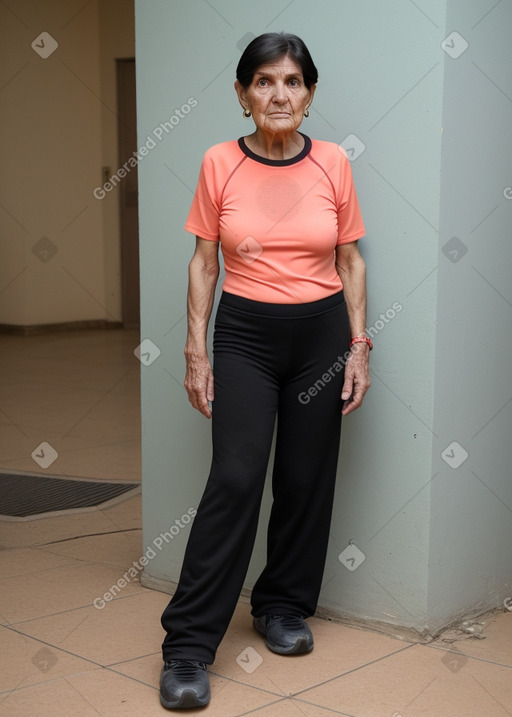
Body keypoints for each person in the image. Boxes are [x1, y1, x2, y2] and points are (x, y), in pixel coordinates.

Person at [159, 32, 371, 710]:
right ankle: (188, 645)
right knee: (237, 475)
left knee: (306, 476)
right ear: (243, 93)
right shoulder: (219, 161)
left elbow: (351, 261)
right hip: (246, 335)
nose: (280, 94)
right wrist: (197, 350)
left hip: (321, 335)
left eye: (293, 81)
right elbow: (203, 263)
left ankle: (282, 605)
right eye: (264, 81)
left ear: (309, 93)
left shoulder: (333, 162)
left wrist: (359, 344)